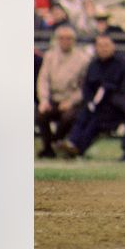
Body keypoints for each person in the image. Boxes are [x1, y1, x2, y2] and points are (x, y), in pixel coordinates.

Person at [55, 34, 125, 158]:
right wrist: (90, 102)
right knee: (82, 115)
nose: (104, 49)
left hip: (115, 108)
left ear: (113, 47)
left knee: (95, 120)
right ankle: (71, 143)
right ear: (96, 48)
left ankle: (77, 148)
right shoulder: (93, 64)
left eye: (106, 45)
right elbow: (87, 87)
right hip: (94, 105)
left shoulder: (122, 64)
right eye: (100, 46)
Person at [35, 26, 90, 158]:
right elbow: (43, 79)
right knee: (41, 115)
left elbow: (85, 87)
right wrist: (44, 100)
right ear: (57, 40)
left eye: (69, 38)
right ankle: (48, 148)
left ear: (74, 40)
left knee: (68, 117)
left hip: (71, 99)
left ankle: (55, 142)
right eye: (61, 38)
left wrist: (71, 101)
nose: (65, 41)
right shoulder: (49, 56)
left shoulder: (83, 59)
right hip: (52, 98)